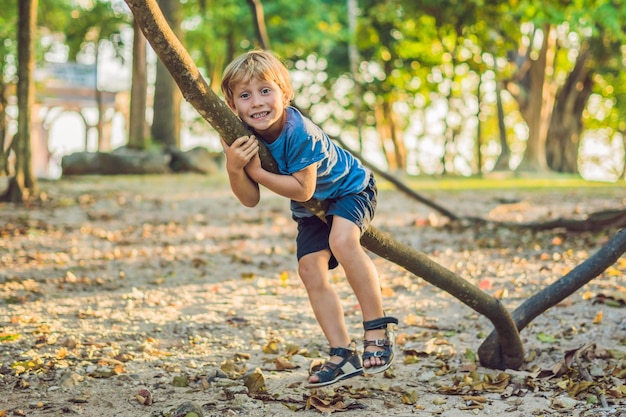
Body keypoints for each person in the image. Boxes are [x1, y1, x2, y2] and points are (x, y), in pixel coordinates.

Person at [220, 49, 397, 388]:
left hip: (349, 189)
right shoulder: (236, 134)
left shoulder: (299, 131)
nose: (256, 102)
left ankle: (376, 326)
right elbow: (250, 198)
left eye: (265, 91)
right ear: (233, 105)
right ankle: (342, 353)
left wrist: (255, 169)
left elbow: (302, 189)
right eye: (245, 95)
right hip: (311, 211)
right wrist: (234, 167)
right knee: (309, 269)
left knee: (342, 241)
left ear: (284, 94)